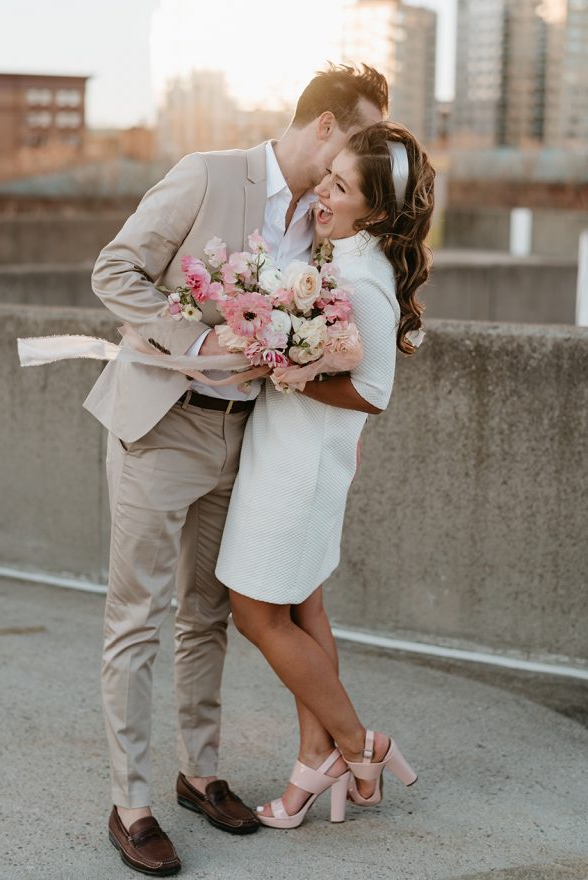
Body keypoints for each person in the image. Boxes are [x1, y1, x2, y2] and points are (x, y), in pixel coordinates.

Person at [84, 64, 389, 875]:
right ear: (325, 127)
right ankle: (132, 804)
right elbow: (114, 271)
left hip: (245, 438)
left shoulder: (326, 223)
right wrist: (195, 342)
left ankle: (201, 773)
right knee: (137, 619)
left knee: (206, 613)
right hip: (161, 426)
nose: (357, 164)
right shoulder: (209, 175)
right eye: (358, 139)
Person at [215, 121, 435, 828]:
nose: (324, 193)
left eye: (341, 188)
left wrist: (285, 369)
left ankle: (354, 743)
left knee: (254, 612)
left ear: (374, 210)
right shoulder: (342, 256)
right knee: (303, 612)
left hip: (300, 470)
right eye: (328, 176)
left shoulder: (365, 278)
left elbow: (373, 393)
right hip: (287, 453)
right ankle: (316, 762)